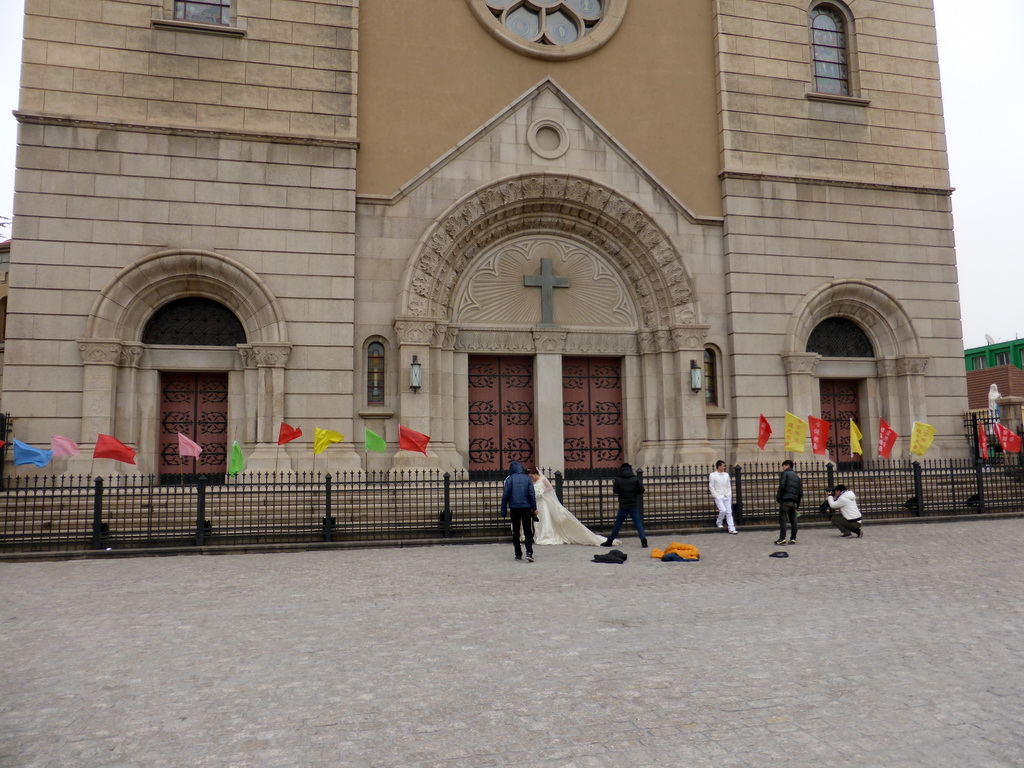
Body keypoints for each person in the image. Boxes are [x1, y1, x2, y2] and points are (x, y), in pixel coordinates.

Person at [528, 468, 614, 546]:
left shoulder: (543, 479)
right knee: (540, 518)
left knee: (545, 518)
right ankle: (540, 534)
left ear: (536, 474)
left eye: (532, 476)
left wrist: (542, 491)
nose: (531, 478)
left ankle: (547, 535)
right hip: (538, 502)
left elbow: (550, 488)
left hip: (544, 501)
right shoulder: (533, 482)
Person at [601, 462, 647, 548]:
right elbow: (641, 490)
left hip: (623, 505)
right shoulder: (635, 479)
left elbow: (615, 491)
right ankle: (643, 540)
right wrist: (634, 492)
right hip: (633, 504)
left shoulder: (618, 479)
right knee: (638, 524)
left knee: (618, 524)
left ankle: (610, 541)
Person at [500, 460, 537, 562]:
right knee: (528, 531)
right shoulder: (527, 478)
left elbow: (505, 495)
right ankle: (529, 552)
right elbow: (531, 494)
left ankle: (518, 553)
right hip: (526, 507)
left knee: (516, 531)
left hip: (514, 508)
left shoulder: (510, 479)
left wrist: (503, 510)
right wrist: (534, 508)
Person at [774, 459, 802, 545]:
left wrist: (778, 497)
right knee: (793, 520)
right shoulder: (797, 477)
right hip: (793, 501)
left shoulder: (785, 474)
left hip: (785, 500)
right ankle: (793, 538)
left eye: (784, 466)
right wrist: (798, 502)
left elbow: (782, 486)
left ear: (787, 465)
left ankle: (782, 538)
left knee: (783, 519)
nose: (783, 468)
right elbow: (800, 491)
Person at [708, 460, 737, 534]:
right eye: (723, 466)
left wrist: (729, 494)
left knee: (729, 512)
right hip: (719, 495)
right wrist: (715, 495)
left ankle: (731, 528)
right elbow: (711, 486)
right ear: (719, 466)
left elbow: (728, 485)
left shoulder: (726, 475)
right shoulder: (713, 475)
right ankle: (718, 522)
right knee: (723, 510)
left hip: (726, 495)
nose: (724, 467)